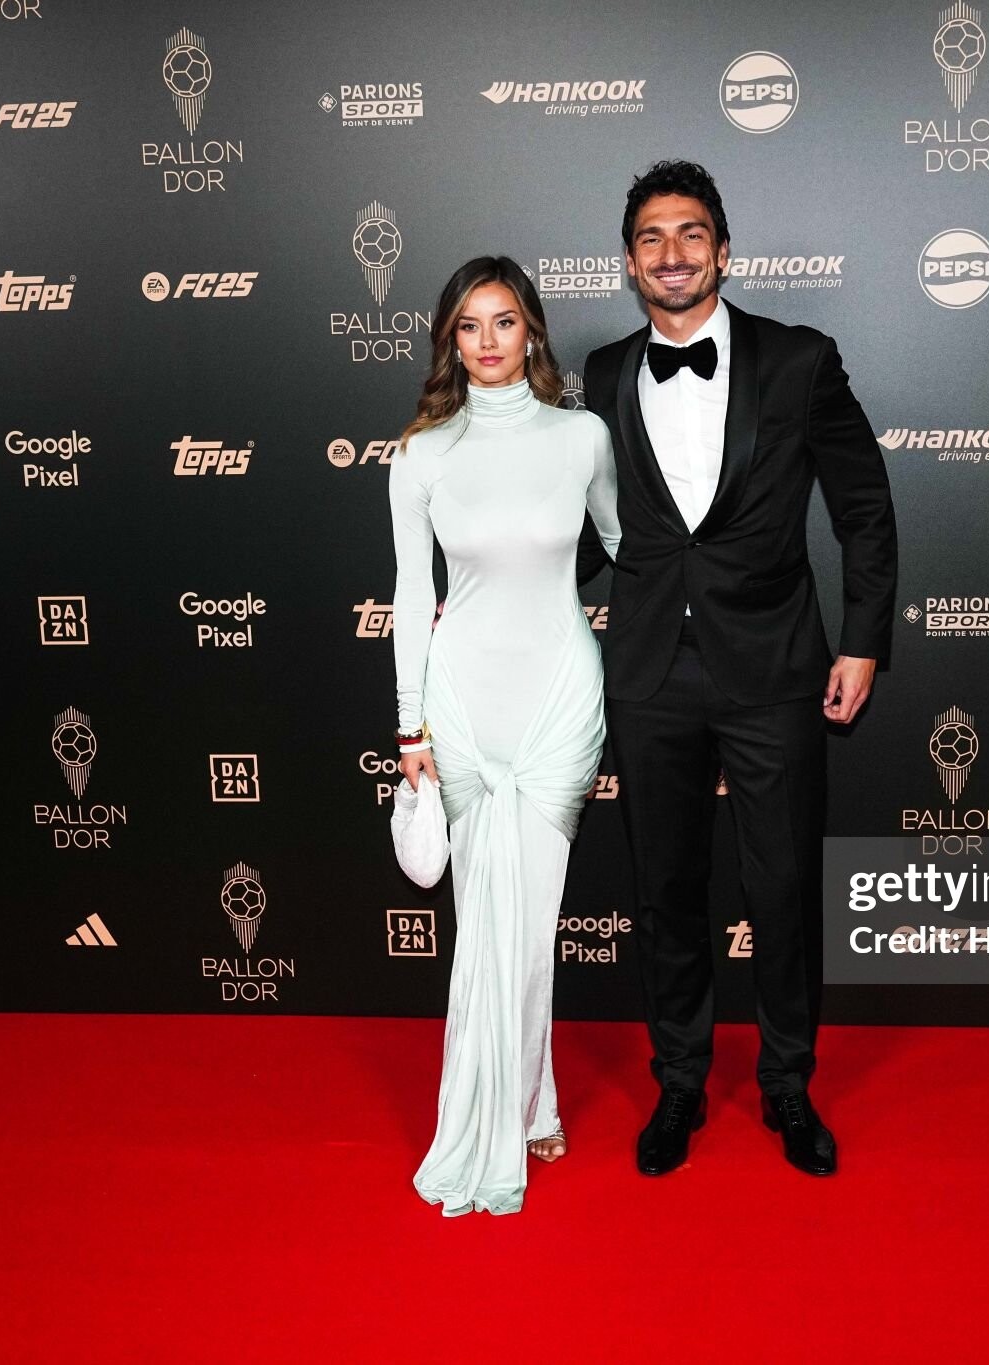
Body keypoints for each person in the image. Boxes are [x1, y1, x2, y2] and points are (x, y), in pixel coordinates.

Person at [577, 161, 897, 1178]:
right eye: (651, 238)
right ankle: (678, 1079)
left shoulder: (799, 360)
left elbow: (862, 507)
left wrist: (862, 640)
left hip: (773, 667)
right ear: (629, 262)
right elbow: (582, 527)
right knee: (665, 887)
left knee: (783, 885)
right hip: (648, 671)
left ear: (722, 250)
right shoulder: (599, 374)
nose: (671, 254)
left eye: (690, 234)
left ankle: (787, 1082)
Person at [392, 257, 621, 1217]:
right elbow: (413, 594)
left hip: (559, 694)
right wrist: (409, 723)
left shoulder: (582, 437)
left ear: (532, 331)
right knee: (484, 920)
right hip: (465, 701)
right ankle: (529, 1107)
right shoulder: (422, 454)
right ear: (450, 339)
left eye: (505, 321)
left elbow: (628, 548)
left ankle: (527, 1101)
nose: (488, 341)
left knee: (532, 920)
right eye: (469, 325)